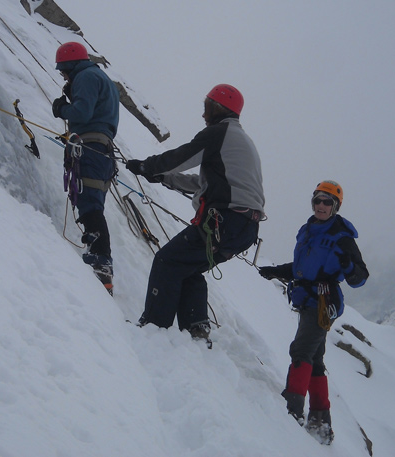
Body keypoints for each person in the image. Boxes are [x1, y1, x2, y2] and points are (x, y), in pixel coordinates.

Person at [126, 84, 265, 345]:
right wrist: (165, 179)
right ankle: (196, 329)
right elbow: (204, 185)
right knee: (187, 268)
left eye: (206, 107)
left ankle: (155, 329)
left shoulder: (218, 133)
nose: (203, 115)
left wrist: (147, 166)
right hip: (244, 228)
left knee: (167, 261)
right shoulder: (240, 140)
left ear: (217, 107)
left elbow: (180, 156)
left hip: (225, 221)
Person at [258, 180, 369, 445]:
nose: (321, 205)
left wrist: (349, 266)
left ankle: (292, 411)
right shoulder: (308, 230)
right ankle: (321, 421)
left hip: (323, 303)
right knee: (315, 359)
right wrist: (276, 271)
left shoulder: (343, 237)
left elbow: (360, 278)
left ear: (335, 206)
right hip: (307, 299)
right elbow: (302, 267)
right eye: (318, 200)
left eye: (327, 202)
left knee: (301, 351)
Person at [52, 42, 120, 295]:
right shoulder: (98, 76)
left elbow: (81, 112)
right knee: (92, 202)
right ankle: (102, 270)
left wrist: (61, 108)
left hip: (90, 147)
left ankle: (101, 262)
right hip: (101, 150)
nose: (63, 75)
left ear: (70, 65)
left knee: (89, 203)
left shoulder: (87, 76)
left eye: (63, 70)